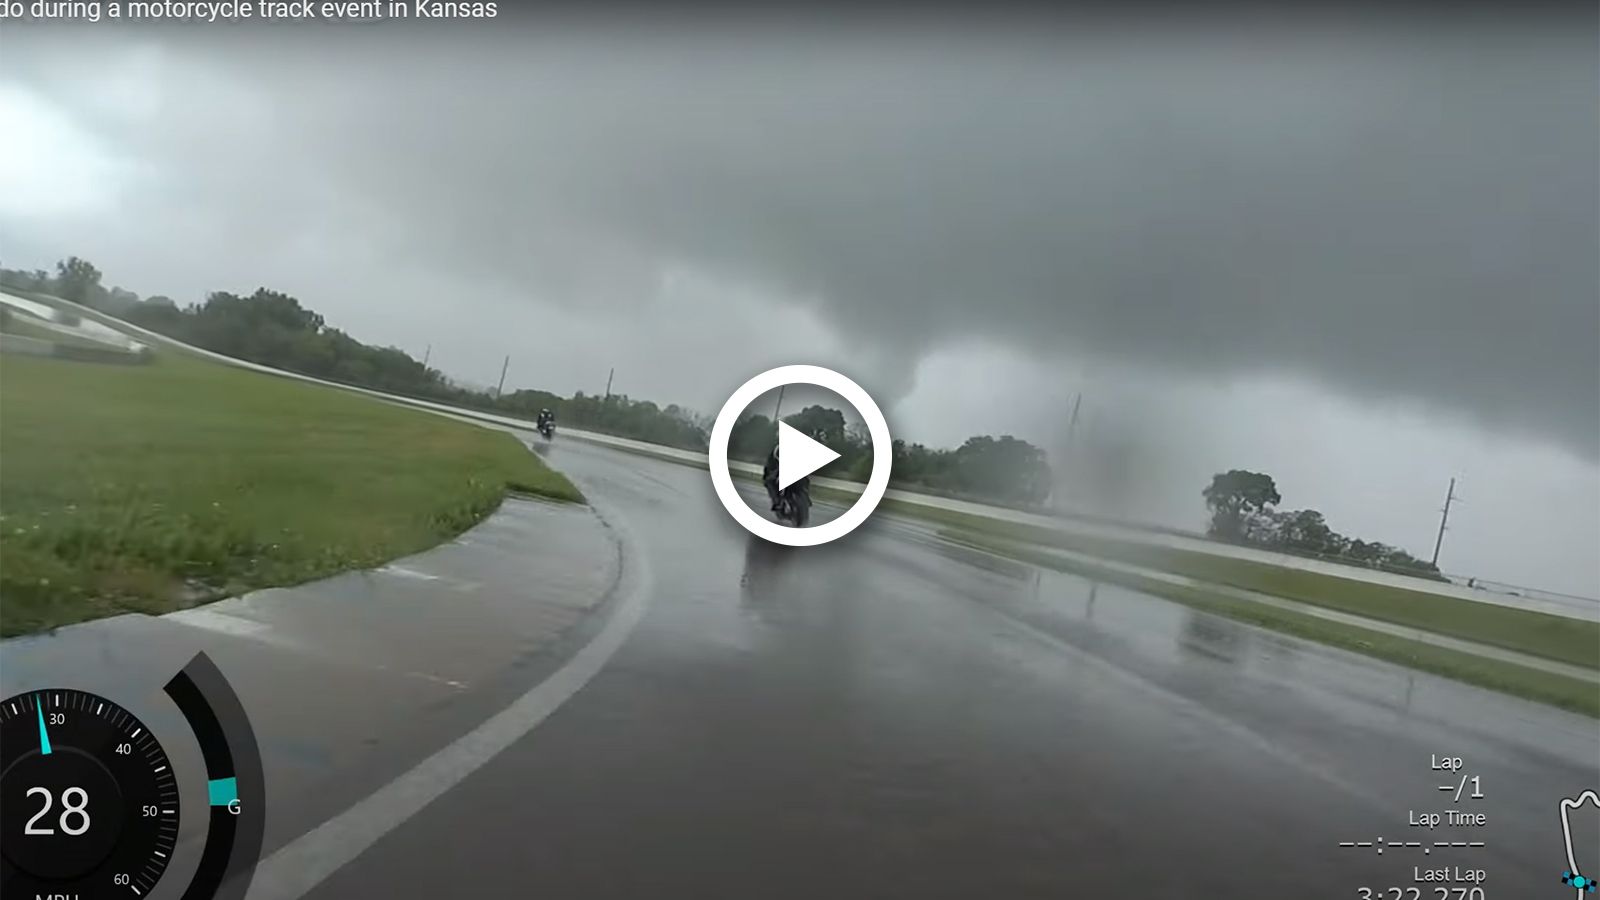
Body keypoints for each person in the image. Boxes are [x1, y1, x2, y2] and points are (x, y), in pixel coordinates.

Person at [762, 444, 782, 511]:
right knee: (770, 481)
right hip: (778, 469)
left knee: (769, 481)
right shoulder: (777, 449)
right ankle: (776, 501)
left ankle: (776, 502)